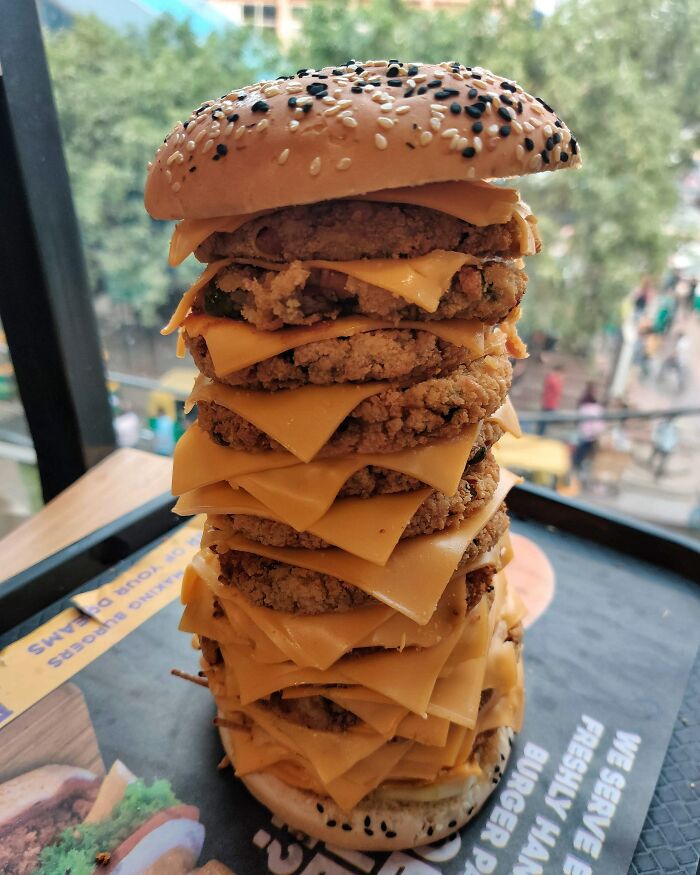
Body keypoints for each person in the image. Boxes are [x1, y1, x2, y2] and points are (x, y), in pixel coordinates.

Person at [572, 383, 605, 475]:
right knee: (582, 450)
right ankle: (576, 464)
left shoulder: (586, 402)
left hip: (586, 431)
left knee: (582, 449)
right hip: (588, 432)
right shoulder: (592, 405)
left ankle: (577, 463)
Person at [538, 363, 564, 435]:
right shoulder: (553, 379)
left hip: (550, 402)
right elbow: (557, 390)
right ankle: (540, 435)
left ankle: (540, 434)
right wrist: (560, 380)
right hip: (549, 403)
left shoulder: (552, 378)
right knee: (544, 421)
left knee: (544, 421)